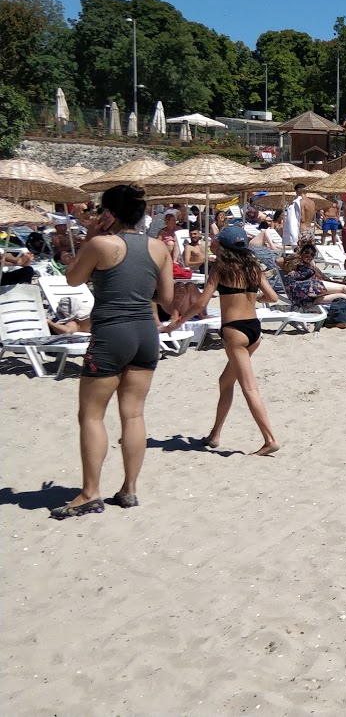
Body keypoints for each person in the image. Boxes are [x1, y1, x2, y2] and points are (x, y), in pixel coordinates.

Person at [48, 185, 176, 519]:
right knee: (133, 414)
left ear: (109, 214)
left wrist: (90, 234)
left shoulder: (100, 244)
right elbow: (166, 300)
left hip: (111, 334)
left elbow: (73, 278)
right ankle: (129, 489)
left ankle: (90, 493)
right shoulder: (160, 247)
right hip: (146, 335)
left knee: (90, 415)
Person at [189, 225, 281, 456]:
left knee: (249, 388)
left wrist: (178, 321)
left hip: (234, 332)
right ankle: (215, 434)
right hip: (253, 330)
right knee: (225, 382)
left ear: (223, 246)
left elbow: (201, 304)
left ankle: (270, 439)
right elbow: (272, 297)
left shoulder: (220, 268)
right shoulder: (252, 267)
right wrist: (251, 298)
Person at [280, 183, 307, 252]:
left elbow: (293, 220)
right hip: (308, 229)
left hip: (299, 230)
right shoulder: (311, 202)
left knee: (300, 252)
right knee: (307, 251)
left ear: (297, 191)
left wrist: (293, 238)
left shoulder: (297, 202)